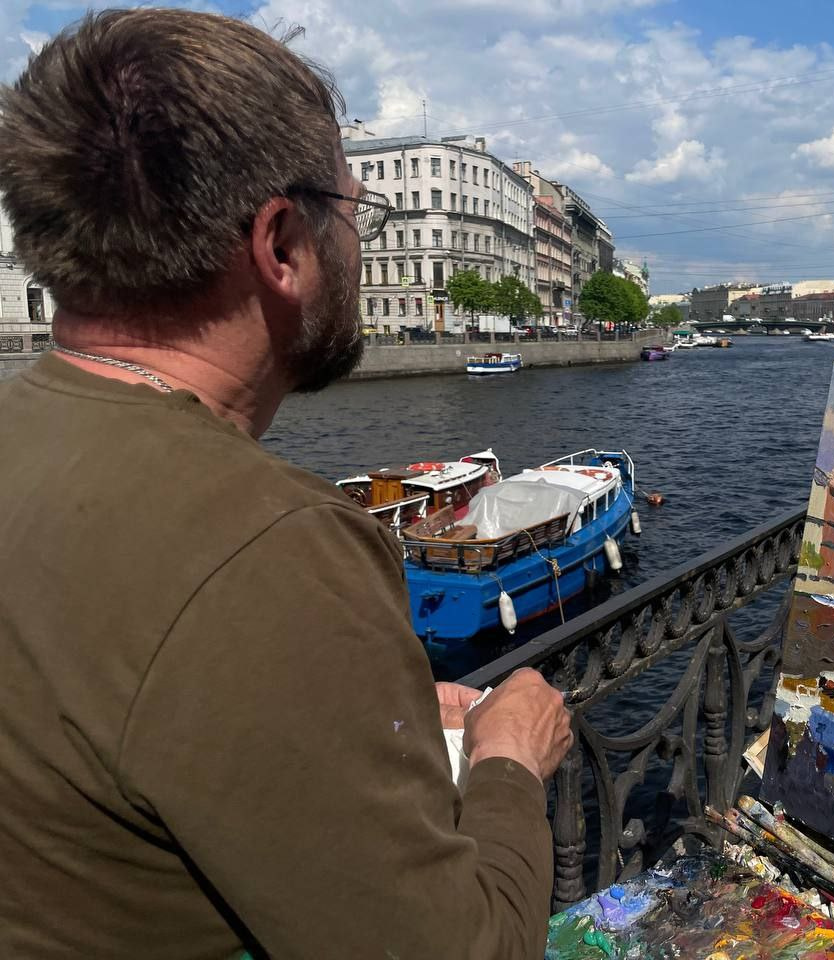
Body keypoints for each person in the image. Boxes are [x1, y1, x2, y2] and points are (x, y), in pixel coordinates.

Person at [0, 10, 570, 959]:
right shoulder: (271, 545)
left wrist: (343, 700)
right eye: (353, 213)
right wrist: (510, 760)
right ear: (281, 245)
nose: (359, 241)